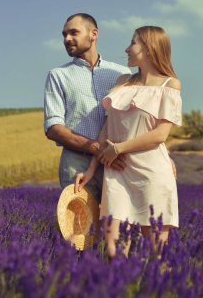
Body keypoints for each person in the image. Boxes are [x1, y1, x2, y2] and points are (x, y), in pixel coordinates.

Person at [75, 25, 182, 258]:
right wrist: (92, 168)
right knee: (114, 251)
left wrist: (118, 149)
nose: (127, 48)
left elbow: (160, 135)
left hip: (151, 174)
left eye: (133, 43)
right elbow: (107, 129)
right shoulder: (123, 81)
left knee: (157, 254)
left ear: (150, 47)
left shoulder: (170, 85)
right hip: (118, 173)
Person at [44, 13, 130, 202]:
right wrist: (96, 148)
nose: (67, 39)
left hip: (118, 162)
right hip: (77, 163)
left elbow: (137, 119)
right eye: (64, 35)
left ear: (94, 34)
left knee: (120, 228)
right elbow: (53, 128)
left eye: (73, 32)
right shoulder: (58, 76)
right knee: (79, 229)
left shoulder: (122, 73)